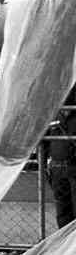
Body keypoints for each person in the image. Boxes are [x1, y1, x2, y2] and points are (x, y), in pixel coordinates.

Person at [45, 88, 76, 230]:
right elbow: (45, 141)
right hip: (57, 168)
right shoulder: (54, 116)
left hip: (73, 167)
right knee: (63, 212)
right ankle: (65, 246)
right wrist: (46, 163)